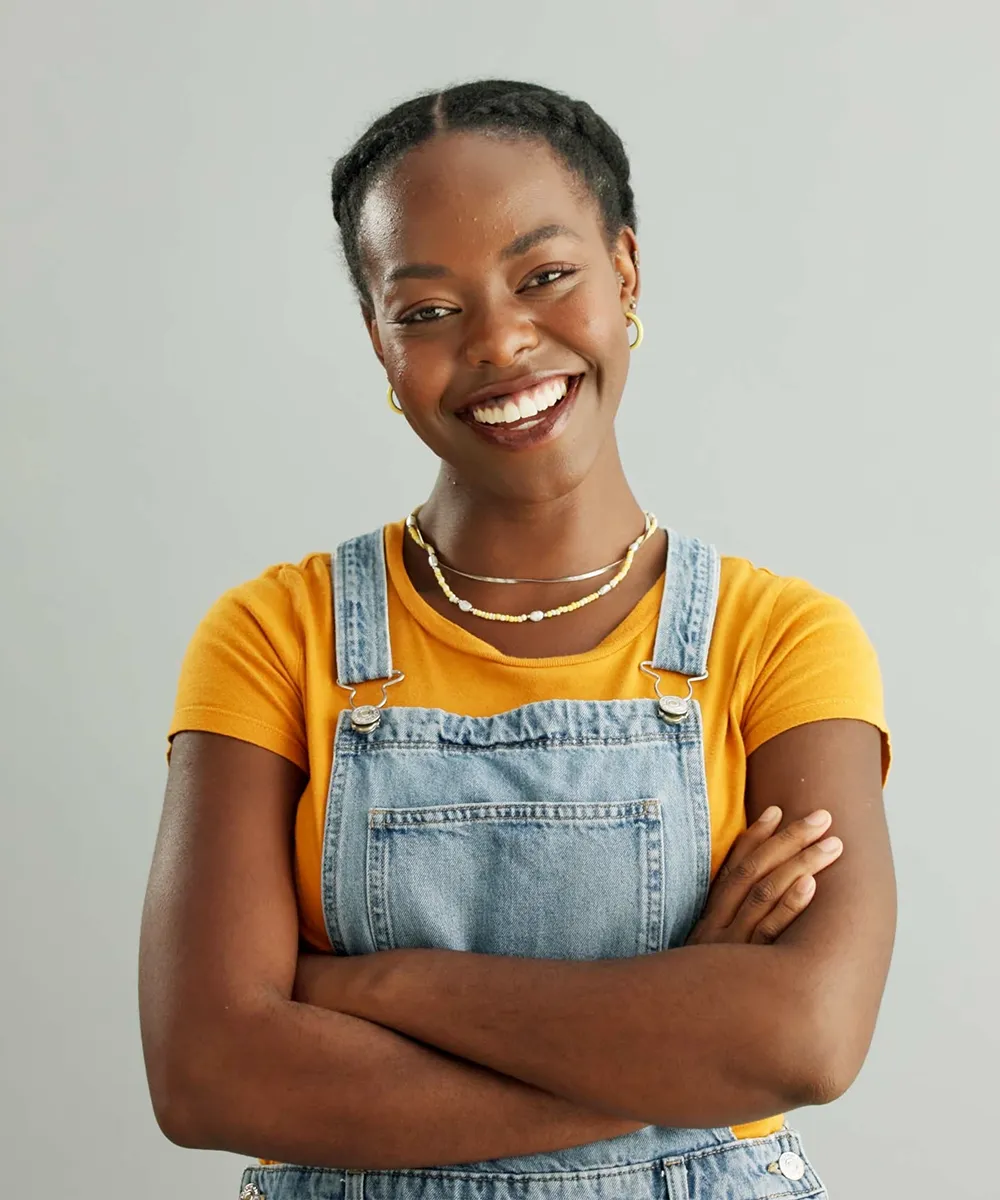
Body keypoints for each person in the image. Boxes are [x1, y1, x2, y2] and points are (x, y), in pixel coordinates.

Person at [138, 79, 895, 1200]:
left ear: (624, 272)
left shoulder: (779, 640)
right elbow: (209, 1077)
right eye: (428, 310)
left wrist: (372, 988)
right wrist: (680, 1038)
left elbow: (808, 1041)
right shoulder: (273, 637)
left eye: (545, 277)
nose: (500, 341)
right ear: (376, 339)